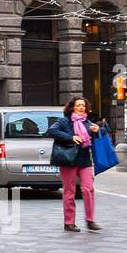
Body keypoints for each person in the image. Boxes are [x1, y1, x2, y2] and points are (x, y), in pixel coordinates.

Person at [47, 97, 101, 233]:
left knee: (88, 189)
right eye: (78, 105)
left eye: (83, 105)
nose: (81, 107)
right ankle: (69, 222)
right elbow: (52, 131)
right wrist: (70, 137)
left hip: (84, 160)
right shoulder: (64, 121)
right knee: (69, 191)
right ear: (72, 107)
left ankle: (90, 220)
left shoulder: (88, 123)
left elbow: (94, 141)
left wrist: (98, 131)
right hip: (68, 160)